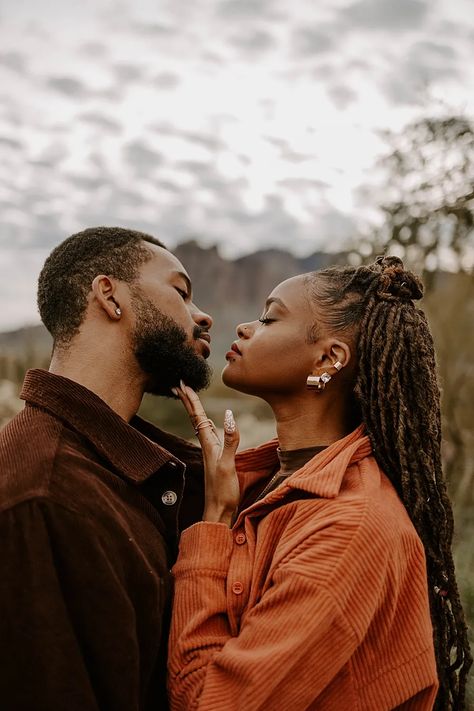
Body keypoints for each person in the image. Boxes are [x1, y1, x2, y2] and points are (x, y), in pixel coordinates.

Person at [168, 256, 472, 711]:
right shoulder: (270, 480)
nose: (246, 328)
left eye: (270, 317)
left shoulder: (349, 529)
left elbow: (210, 703)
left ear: (328, 360)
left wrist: (215, 522)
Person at [0, 226, 213, 711]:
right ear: (109, 295)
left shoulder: (136, 470)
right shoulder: (40, 499)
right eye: (181, 292)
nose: (204, 317)